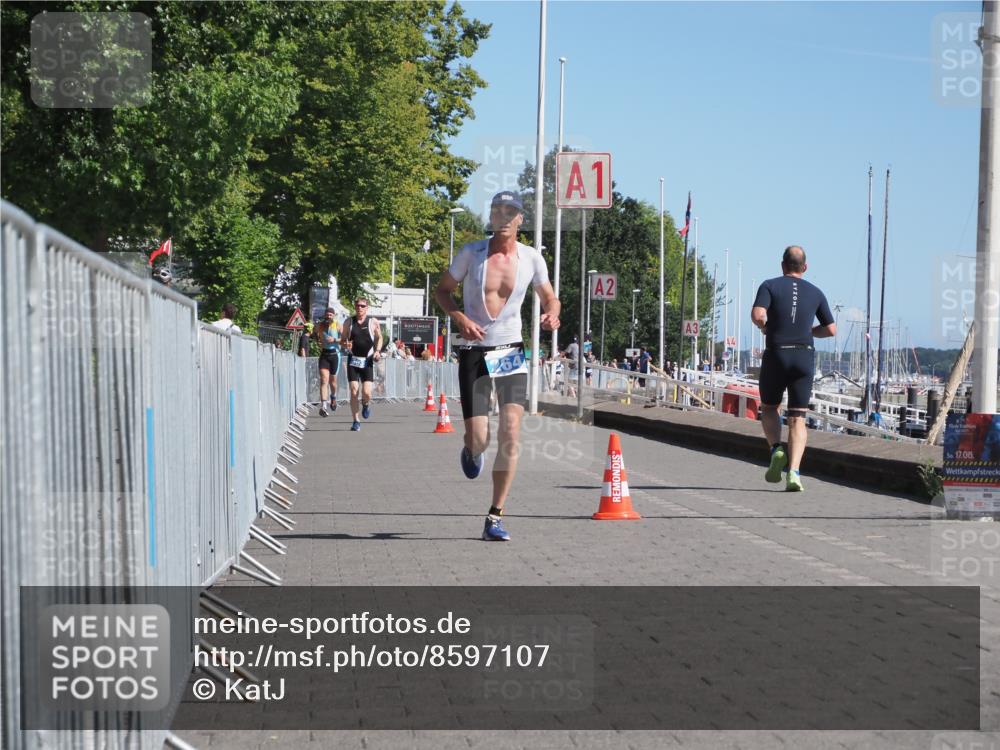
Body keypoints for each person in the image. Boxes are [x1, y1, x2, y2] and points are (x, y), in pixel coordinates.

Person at [434, 190, 561, 542]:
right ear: (490, 217)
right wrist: (459, 317)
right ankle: (470, 450)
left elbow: (550, 295)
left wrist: (553, 311)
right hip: (474, 350)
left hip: (508, 350)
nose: (503, 217)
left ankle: (495, 515)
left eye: (511, 212)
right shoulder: (470, 254)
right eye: (497, 211)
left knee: (510, 434)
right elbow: (442, 291)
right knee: (480, 439)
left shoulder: (532, 258)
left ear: (521, 219)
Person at [751, 245, 836, 492]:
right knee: (798, 417)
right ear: (805, 267)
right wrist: (808, 331)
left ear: (782, 266)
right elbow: (831, 329)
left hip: (777, 353)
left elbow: (758, 315)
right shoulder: (816, 292)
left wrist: (766, 327)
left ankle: (777, 449)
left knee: (768, 407)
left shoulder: (770, 285)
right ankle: (795, 473)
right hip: (803, 356)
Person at [340, 298, 382, 431]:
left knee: (367, 392)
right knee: (353, 390)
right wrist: (345, 344)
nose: (360, 308)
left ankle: (366, 403)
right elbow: (342, 340)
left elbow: (379, 337)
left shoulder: (373, 322)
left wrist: (377, 351)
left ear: (367, 308)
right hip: (353, 359)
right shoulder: (348, 322)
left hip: (367, 360)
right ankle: (356, 421)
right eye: (357, 305)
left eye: (362, 306)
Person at [316, 308, 341, 417]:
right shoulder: (320, 326)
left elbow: (346, 339)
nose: (328, 317)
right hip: (324, 355)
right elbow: (316, 336)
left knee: (333, 382)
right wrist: (319, 341)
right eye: (327, 315)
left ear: (333, 316)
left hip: (335, 355)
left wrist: (335, 340)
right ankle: (324, 406)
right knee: (324, 380)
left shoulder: (338, 325)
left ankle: (334, 397)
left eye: (330, 315)